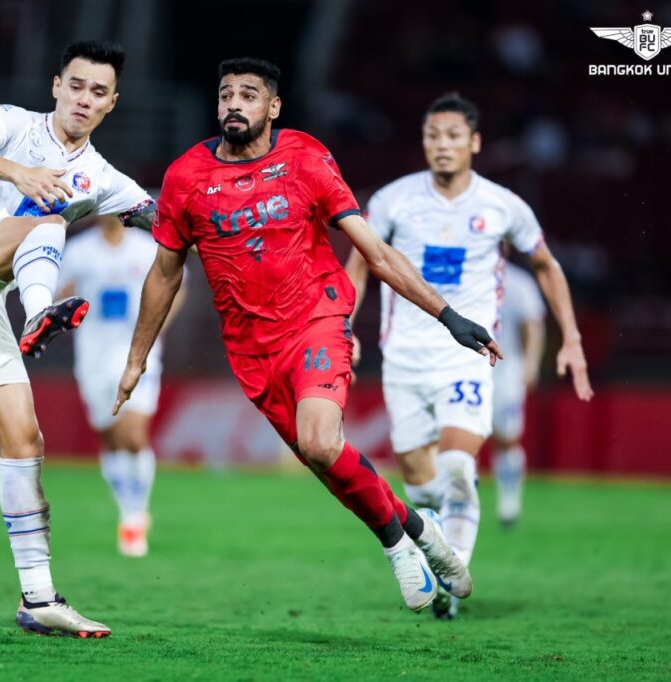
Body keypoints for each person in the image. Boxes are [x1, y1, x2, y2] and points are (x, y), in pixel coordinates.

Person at [115, 58, 494, 614]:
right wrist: (137, 358)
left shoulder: (305, 157)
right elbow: (165, 273)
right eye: (225, 95)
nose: (234, 105)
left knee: (319, 442)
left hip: (317, 318)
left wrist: (447, 315)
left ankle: (395, 545)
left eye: (248, 95)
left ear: (273, 107)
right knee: (326, 460)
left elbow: (375, 251)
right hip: (250, 349)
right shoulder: (185, 177)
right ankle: (420, 528)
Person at [0, 40, 155, 638]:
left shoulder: (102, 177)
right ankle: (41, 313)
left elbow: (165, 220)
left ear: (111, 104)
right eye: (75, 85)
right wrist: (20, 171)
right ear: (56, 85)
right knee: (48, 216)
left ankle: (38, 598)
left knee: (25, 439)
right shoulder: (11, 122)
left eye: (98, 92)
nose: (83, 98)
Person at [345, 92, 593, 619]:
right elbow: (363, 261)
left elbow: (546, 265)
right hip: (405, 357)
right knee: (420, 481)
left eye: (454, 136)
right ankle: (438, 545)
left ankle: (450, 570)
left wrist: (570, 336)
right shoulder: (393, 200)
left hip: (467, 354)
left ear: (475, 142)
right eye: (433, 136)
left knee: (458, 465)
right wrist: (342, 322)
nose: (442, 146)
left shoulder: (502, 205)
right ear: (424, 142)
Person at [57, 215, 185, 557]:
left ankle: (134, 515)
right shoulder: (78, 251)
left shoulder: (146, 250)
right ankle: (127, 508)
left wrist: (154, 331)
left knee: (133, 436)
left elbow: (177, 286)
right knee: (111, 438)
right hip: (92, 358)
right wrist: (64, 304)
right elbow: (57, 298)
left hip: (137, 355)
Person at [490, 260, 546, 528]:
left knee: (507, 437)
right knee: (458, 438)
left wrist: (531, 363)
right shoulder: (464, 273)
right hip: (465, 367)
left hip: (506, 370)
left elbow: (533, 325)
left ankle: (509, 499)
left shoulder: (519, 281)